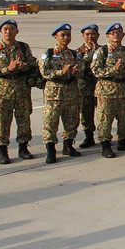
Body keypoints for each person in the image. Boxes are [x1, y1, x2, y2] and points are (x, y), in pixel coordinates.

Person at [38, 23, 83, 163]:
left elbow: (82, 69)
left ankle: (68, 145)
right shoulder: (49, 54)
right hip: (54, 94)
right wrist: (60, 72)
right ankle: (50, 150)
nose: (66, 38)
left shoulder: (74, 54)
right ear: (55, 37)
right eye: (62, 35)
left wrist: (76, 72)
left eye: (68, 35)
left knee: (72, 121)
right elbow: (44, 72)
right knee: (51, 122)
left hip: (71, 92)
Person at [0, 19, 37, 163]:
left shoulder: (23, 47)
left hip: (22, 90)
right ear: (1, 31)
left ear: (17, 31)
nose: (8, 31)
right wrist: (8, 69)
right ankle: (2, 150)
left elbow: (32, 65)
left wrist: (21, 66)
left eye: (12, 28)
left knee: (23, 119)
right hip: (3, 92)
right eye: (5, 29)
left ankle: (23, 147)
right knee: (2, 121)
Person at [89, 23, 125, 158]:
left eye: (119, 32)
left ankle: (123, 141)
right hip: (106, 91)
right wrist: (113, 69)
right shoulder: (102, 52)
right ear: (107, 36)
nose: (116, 34)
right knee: (105, 118)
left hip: (123, 89)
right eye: (113, 32)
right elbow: (96, 71)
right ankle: (105, 144)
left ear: (123, 35)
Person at [77, 24, 100, 149]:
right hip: (84, 86)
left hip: (100, 85)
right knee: (86, 111)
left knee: (103, 111)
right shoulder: (77, 53)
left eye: (93, 34)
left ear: (98, 36)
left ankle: (104, 135)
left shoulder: (103, 50)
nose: (90, 37)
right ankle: (89, 136)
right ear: (83, 36)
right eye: (87, 34)